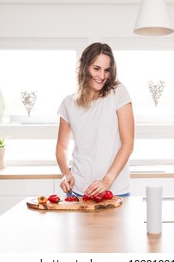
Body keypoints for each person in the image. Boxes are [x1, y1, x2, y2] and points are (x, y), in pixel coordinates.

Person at [56, 42, 134, 198]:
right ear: (84, 67)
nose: (102, 76)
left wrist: (106, 181)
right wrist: (65, 173)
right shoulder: (68, 103)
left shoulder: (118, 93)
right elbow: (61, 147)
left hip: (115, 191)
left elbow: (128, 143)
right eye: (96, 68)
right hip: (78, 192)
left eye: (107, 70)